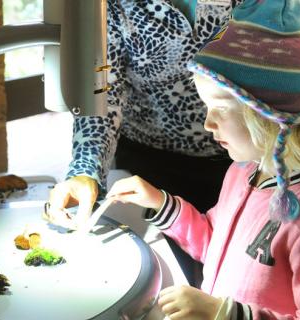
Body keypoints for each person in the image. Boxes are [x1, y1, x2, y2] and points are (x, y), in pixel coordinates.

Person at [107, 0, 300, 318]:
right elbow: (212, 241)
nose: (207, 124)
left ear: (269, 116)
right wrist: (159, 202)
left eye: (220, 109)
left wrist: (223, 313)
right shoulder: (242, 173)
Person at [46, 0, 242, 286]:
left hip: (244, 161)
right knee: (168, 278)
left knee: (238, 276)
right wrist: (85, 172)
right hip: (148, 168)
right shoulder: (111, 6)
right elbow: (103, 94)